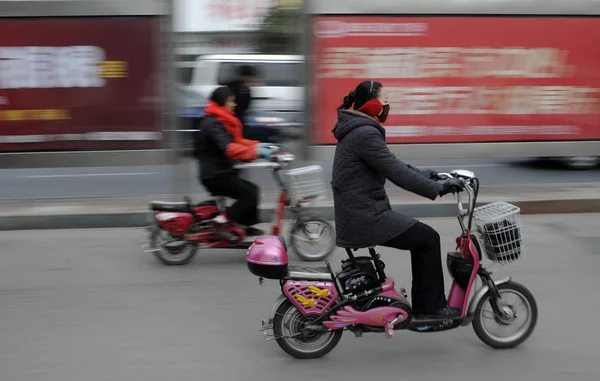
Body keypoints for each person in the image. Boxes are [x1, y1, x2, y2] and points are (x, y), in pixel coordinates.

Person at [330, 80, 465, 320]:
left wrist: (428, 175)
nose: (388, 108)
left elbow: (394, 165)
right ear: (372, 105)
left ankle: (425, 304)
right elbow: (398, 173)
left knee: (422, 238)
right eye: (386, 102)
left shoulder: (358, 130)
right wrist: (439, 188)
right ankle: (430, 308)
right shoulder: (364, 133)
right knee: (428, 239)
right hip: (366, 216)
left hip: (360, 212)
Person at [194, 86, 273, 237]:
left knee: (251, 190)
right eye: (231, 101)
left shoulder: (218, 120)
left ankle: (244, 226)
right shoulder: (213, 124)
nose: (234, 105)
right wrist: (257, 152)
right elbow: (229, 148)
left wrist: (258, 146)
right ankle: (223, 220)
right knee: (250, 193)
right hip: (215, 175)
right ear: (222, 102)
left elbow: (237, 141)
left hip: (219, 172)